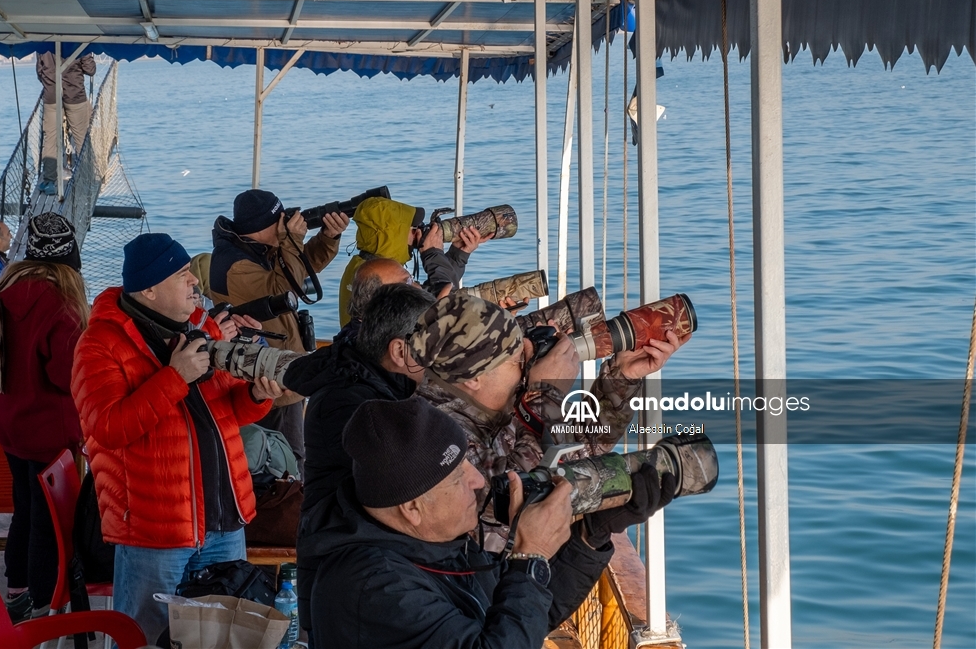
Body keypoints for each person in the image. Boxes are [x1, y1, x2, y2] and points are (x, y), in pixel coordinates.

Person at [299, 397, 673, 648]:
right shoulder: (372, 589)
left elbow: (519, 617)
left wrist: (592, 535)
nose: (478, 480)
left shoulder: (433, 543)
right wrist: (529, 557)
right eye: (459, 477)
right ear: (413, 508)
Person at [71, 232, 283, 644]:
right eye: (182, 274)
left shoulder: (201, 327)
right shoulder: (99, 345)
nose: (194, 282)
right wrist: (174, 378)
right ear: (149, 289)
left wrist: (257, 394)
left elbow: (231, 411)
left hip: (224, 520)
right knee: (145, 638)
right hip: (156, 532)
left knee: (228, 639)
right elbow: (107, 429)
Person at [408, 293, 687, 550]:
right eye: (517, 360)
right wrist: (546, 394)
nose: (526, 366)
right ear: (473, 377)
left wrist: (623, 376)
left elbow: (579, 451)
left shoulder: (485, 408)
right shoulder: (434, 433)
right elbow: (520, 494)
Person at [284, 282, 434, 635]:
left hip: (363, 574)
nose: (441, 354)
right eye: (434, 341)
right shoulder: (352, 405)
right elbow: (411, 477)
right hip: (347, 585)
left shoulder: (371, 383)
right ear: (399, 351)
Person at [0, 212, 87, 621]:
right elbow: (66, 376)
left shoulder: (5, 291)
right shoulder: (62, 304)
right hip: (49, 431)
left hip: (11, 426)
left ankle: (17, 591)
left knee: (24, 509)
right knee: (50, 523)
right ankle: (47, 605)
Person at [210, 188, 348, 461]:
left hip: (281, 374)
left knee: (290, 462)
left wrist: (328, 236)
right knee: (285, 467)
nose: (286, 225)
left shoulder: (256, 248)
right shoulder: (234, 265)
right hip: (267, 387)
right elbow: (284, 286)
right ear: (261, 226)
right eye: (280, 221)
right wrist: (292, 238)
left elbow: (300, 268)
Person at [337, 196, 489, 326]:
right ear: (392, 235)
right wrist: (432, 254)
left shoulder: (365, 266)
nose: (419, 233)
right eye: (413, 228)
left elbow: (433, 295)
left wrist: (457, 255)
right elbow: (439, 310)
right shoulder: (378, 277)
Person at [36, 51, 96, 195]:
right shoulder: (77, 36)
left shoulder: (43, 41)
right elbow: (90, 69)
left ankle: (50, 181)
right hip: (75, 93)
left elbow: (40, 70)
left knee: (51, 137)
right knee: (81, 137)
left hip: (52, 95)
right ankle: (88, 177)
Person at [335, 256, 413, 342]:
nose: (417, 287)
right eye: (408, 282)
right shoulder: (377, 348)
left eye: (411, 279)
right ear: (378, 301)